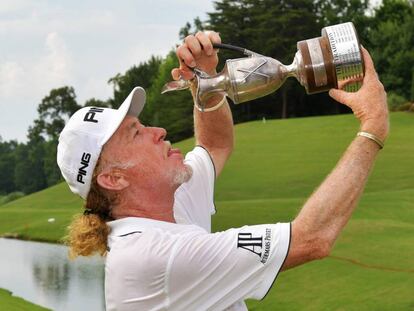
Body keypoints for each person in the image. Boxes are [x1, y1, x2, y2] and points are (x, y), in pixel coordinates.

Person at [57, 31, 388, 311]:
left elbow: (215, 144)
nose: (156, 130)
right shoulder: (152, 256)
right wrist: (372, 129)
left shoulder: (164, 205)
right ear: (114, 179)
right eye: (136, 133)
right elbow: (312, 238)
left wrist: (206, 80)